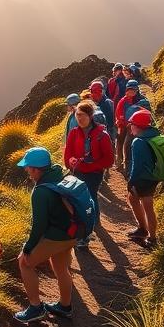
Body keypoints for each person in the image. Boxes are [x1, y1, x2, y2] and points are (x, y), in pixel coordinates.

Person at [14, 147, 77, 323]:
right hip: (73, 232)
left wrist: (29, 246)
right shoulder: (60, 174)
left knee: (24, 262)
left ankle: (35, 308)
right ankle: (65, 307)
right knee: (61, 268)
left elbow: (39, 225)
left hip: (58, 235)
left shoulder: (41, 192)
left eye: (28, 167)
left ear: (36, 168)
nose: (26, 170)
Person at [64, 101, 114, 248]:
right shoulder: (73, 133)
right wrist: (70, 162)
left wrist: (90, 164)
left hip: (94, 174)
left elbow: (109, 160)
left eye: (83, 115)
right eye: (77, 115)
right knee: (80, 200)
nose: (79, 118)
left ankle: (86, 231)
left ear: (90, 116)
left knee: (89, 198)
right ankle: (88, 224)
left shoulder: (102, 135)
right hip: (78, 172)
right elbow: (68, 154)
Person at [127, 109, 160, 248]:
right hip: (154, 176)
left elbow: (137, 165)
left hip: (143, 179)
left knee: (144, 204)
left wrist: (131, 182)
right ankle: (149, 234)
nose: (130, 127)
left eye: (132, 124)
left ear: (138, 126)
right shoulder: (156, 135)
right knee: (144, 204)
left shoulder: (138, 142)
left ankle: (147, 233)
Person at [115, 80, 152, 172]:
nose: (131, 92)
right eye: (129, 89)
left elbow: (147, 113)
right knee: (120, 143)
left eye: (133, 90)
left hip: (137, 127)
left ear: (137, 90)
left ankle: (128, 166)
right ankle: (120, 162)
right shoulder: (123, 101)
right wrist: (120, 122)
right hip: (124, 126)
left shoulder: (142, 101)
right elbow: (118, 112)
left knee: (128, 146)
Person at [89, 79, 116, 144]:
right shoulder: (106, 101)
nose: (91, 95)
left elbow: (109, 123)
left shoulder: (105, 104)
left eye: (92, 92)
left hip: (106, 135)